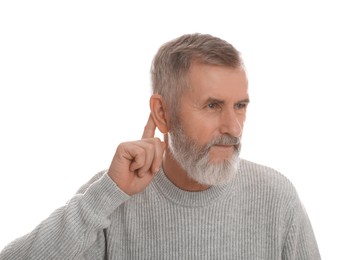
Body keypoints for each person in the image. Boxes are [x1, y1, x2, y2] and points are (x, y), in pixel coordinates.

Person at [0, 33, 320, 259]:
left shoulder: (276, 197)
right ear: (162, 113)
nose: (233, 128)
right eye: (212, 106)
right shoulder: (113, 197)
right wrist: (106, 194)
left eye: (240, 106)